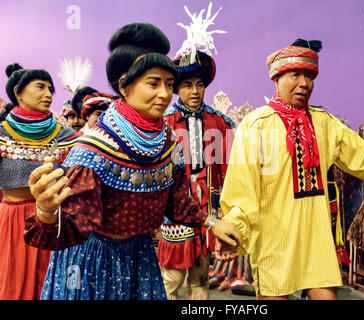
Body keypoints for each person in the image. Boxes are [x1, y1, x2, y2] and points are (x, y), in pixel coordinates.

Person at [24, 22, 241, 300]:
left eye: (169, 84)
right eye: (153, 83)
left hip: (140, 258)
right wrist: (46, 211)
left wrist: (212, 223)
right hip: (93, 262)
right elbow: (72, 229)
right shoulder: (94, 148)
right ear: (124, 86)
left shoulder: (167, 141)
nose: (164, 94)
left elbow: (177, 203)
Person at [218, 39, 364, 300]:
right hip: (274, 237)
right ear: (276, 78)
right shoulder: (256, 126)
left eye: (309, 76)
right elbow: (242, 188)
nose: (304, 83)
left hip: (315, 234)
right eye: (295, 74)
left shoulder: (325, 124)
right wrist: (234, 229)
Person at [157, 49, 235, 299]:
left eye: (200, 85)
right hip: (175, 209)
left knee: (201, 277)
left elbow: (229, 171)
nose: (195, 91)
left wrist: (226, 208)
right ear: (177, 88)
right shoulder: (163, 122)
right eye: (188, 85)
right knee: (171, 277)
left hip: (208, 209)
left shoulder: (219, 122)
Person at [0, 63, 77, 300]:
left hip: (55, 220)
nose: (48, 94)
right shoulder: (1, 133)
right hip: (12, 221)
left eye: (50, 89)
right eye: (40, 87)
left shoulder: (67, 135)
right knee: (12, 282)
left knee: (51, 283)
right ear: (18, 93)